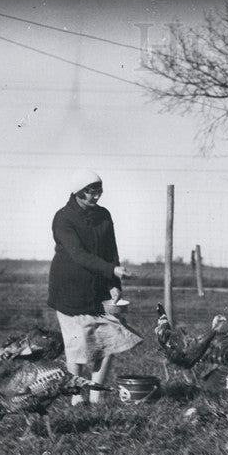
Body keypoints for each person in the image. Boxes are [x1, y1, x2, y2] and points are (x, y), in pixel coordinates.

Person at [48, 170, 141, 404]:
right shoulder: (63, 218)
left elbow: (111, 251)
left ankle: (97, 396)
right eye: (90, 191)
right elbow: (78, 255)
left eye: (98, 190)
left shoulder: (104, 215)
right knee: (77, 346)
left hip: (99, 289)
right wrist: (112, 271)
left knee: (110, 341)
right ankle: (76, 397)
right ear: (78, 192)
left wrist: (114, 283)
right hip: (69, 290)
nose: (95, 196)